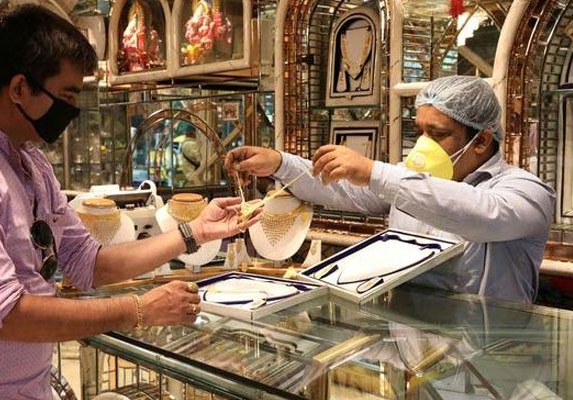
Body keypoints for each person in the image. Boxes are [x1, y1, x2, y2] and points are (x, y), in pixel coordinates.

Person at [0, 5, 258, 399]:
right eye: (65, 95)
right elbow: (4, 315)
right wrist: (138, 310)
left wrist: (195, 232)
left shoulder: (27, 159)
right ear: (19, 89)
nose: (72, 111)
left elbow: (87, 263)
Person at [226, 76, 555, 304]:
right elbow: (343, 191)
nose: (424, 144)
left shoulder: (527, 191)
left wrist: (373, 172)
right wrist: (279, 163)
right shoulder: (406, 178)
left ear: (480, 140)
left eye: (437, 134)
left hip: (490, 358)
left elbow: (481, 215)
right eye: (420, 132)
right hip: (418, 350)